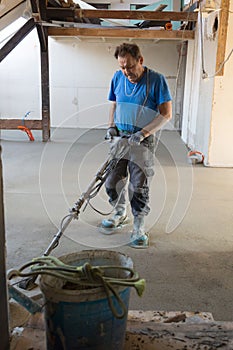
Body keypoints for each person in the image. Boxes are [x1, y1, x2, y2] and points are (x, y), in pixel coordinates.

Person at [102, 42, 172, 248]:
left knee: (138, 185)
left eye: (130, 67)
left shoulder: (156, 80)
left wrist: (143, 133)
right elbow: (114, 104)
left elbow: (166, 114)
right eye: (122, 67)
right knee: (111, 180)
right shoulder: (117, 77)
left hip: (142, 139)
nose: (126, 71)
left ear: (140, 60)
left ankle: (139, 224)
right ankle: (119, 212)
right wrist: (111, 127)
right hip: (120, 137)